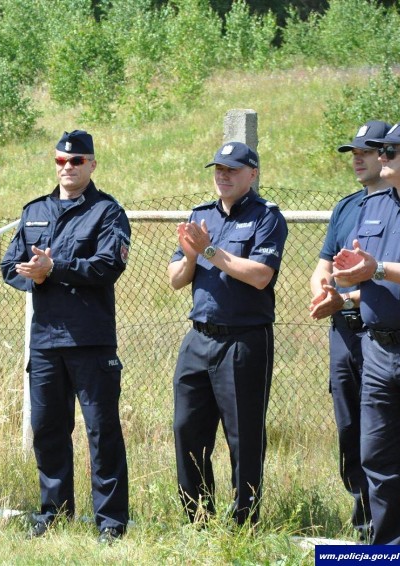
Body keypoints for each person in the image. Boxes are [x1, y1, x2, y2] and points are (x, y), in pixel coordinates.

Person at [0, 130, 131, 544]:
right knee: (46, 429)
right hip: (45, 342)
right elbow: (8, 264)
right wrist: (32, 276)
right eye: (60, 161)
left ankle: (110, 521)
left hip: (90, 341)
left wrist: (55, 269)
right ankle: (53, 513)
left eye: (76, 161)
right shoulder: (34, 210)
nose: (67, 168)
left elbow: (108, 265)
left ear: (92, 164)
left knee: (101, 431)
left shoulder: (107, 212)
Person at [168, 142, 288, 526]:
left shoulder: (266, 217)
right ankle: (198, 520)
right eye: (218, 168)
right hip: (198, 338)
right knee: (187, 430)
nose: (223, 175)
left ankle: (244, 524)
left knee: (244, 437)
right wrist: (191, 254)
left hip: (243, 340)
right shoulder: (200, 215)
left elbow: (260, 275)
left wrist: (210, 250)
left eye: (232, 169)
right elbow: (175, 280)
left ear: (252, 174)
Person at [309, 120, 391, 539]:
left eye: (369, 149)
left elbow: (382, 277)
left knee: (384, 437)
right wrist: (321, 290)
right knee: (351, 431)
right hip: (344, 333)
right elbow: (324, 265)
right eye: (353, 151)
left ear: (390, 153)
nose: (358, 157)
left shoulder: (395, 207)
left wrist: (347, 297)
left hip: (382, 332)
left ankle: (386, 534)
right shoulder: (347, 207)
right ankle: (363, 527)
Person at [332, 121, 400, 545]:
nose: (382, 157)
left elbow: (376, 270)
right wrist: (341, 291)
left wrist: (375, 268)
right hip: (377, 349)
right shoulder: (373, 207)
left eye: (392, 150)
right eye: (383, 151)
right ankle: (386, 551)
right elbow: (359, 274)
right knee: (376, 457)